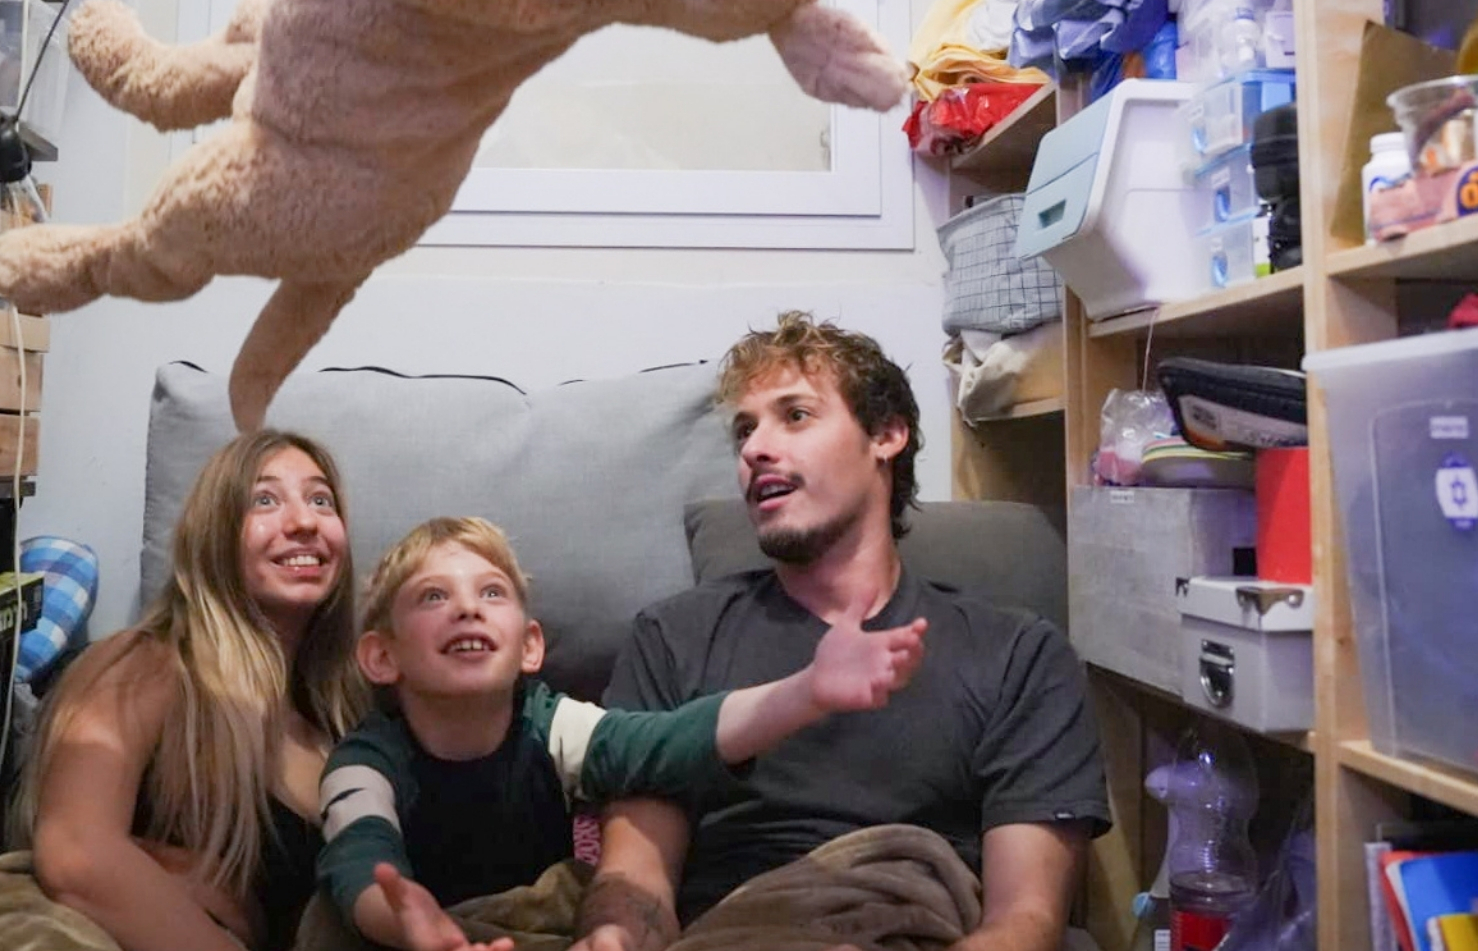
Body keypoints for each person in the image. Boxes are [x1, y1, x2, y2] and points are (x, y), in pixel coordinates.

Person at [576, 313, 1110, 951]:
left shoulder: (1018, 656)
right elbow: (636, 880)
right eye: (744, 429)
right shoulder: (673, 638)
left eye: (795, 415)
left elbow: (1024, 923)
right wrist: (611, 937)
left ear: (886, 435)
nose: (754, 449)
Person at [318, 516, 929, 951]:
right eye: (433, 596)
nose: (467, 608)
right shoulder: (364, 762)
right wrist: (411, 925)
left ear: (530, 646)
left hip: (530, 927)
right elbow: (357, 855)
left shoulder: (552, 725)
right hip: (405, 930)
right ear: (381, 657)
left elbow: (668, 744)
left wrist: (807, 691)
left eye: (492, 593)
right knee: (325, 921)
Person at [21, 431, 369, 951]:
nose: (304, 522)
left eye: (321, 500)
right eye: (264, 500)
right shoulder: (148, 663)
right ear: (214, 535)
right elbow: (75, 852)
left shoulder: (347, 714)